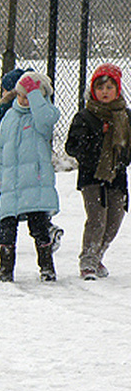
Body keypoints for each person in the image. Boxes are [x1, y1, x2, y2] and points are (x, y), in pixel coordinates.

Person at [0, 67, 63, 256]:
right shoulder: (10, 115)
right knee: (7, 222)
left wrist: (34, 94)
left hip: (34, 181)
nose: (24, 100)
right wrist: (1, 176)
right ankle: (5, 262)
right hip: (11, 180)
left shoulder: (40, 118)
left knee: (37, 224)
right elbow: (2, 147)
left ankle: (46, 261)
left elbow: (46, 117)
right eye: (20, 95)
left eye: (29, 97)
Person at [65, 63, 131, 280]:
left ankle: (98, 256)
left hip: (117, 176)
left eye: (109, 87)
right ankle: (88, 262)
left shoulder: (125, 116)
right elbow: (72, 147)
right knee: (97, 220)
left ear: (118, 90)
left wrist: (122, 158)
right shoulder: (85, 117)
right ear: (93, 90)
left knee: (114, 221)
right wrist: (98, 138)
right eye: (100, 87)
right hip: (92, 177)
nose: (105, 92)